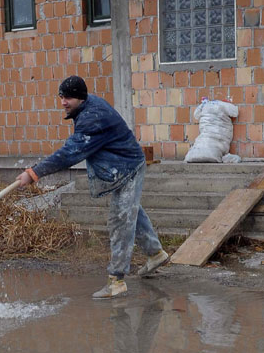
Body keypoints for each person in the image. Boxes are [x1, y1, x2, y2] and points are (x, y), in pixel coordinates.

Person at [16, 76, 169, 299]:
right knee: (131, 213)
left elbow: (70, 153)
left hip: (128, 168)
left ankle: (116, 280)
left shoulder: (92, 118)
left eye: (67, 97)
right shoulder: (87, 107)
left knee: (120, 219)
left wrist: (33, 173)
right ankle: (155, 254)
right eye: (61, 97)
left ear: (80, 97)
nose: (63, 102)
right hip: (119, 165)